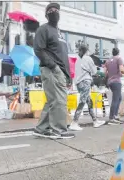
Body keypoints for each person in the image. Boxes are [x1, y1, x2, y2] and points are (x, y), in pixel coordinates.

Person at [32, 2, 74, 139]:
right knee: (59, 100)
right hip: (51, 69)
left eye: (56, 9)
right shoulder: (43, 29)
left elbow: (63, 55)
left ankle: (41, 128)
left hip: (60, 71)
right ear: (46, 14)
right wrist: (54, 66)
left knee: (53, 100)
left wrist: (68, 75)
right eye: (50, 10)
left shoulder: (59, 33)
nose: (54, 11)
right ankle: (59, 130)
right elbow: (38, 49)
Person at [69, 45, 105, 131]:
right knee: (82, 101)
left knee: (89, 101)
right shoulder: (88, 58)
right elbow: (94, 72)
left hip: (78, 83)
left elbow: (73, 71)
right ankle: (74, 122)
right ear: (87, 51)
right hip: (85, 81)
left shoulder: (76, 59)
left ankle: (95, 121)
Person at [103, 48, 124, 125]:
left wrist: (110, 76)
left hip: (110, 82)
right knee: (115, 99)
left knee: (119, 98)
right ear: (118, 52)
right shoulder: (119, 59)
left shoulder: (107, 61)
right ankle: (111, 118)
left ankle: (115, 116)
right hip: (116, 81)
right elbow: (121, 69)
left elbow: (104, 72)